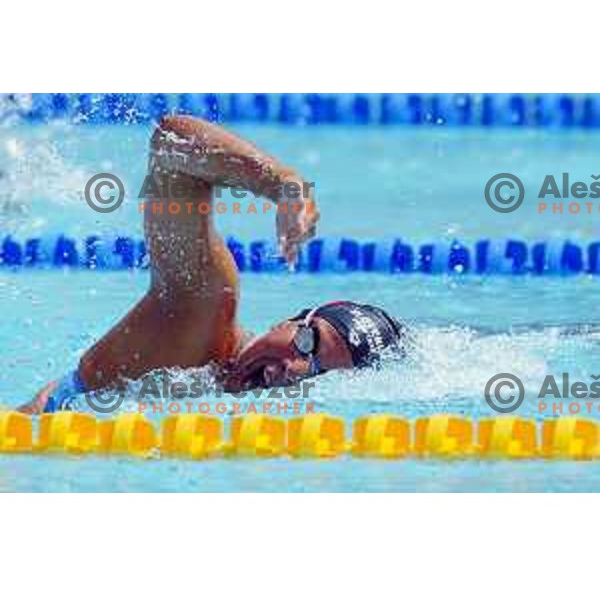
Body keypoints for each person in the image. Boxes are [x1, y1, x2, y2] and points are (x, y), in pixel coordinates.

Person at [18, 116, 407, 414]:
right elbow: (170, 141)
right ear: (290, 323)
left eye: (318, 372)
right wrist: (284, 184)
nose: (293, 369)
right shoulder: (201, 314)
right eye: (308, 343)